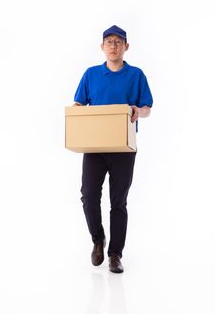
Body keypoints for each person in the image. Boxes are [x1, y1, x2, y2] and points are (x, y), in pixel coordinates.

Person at [73, 25, 153, 273]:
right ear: (102, 47)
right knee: (88, 196)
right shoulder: (91, 74)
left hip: (124, 148)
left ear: (126, 47)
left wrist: (138, 112)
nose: (113, 46)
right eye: (109, 42)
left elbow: (147, 107)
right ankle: (98, 239)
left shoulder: (136, 75)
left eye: (118, 42)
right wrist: (76, 110)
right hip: (95, 146)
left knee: (118, 202)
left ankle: (115, 254)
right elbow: (78, 102)